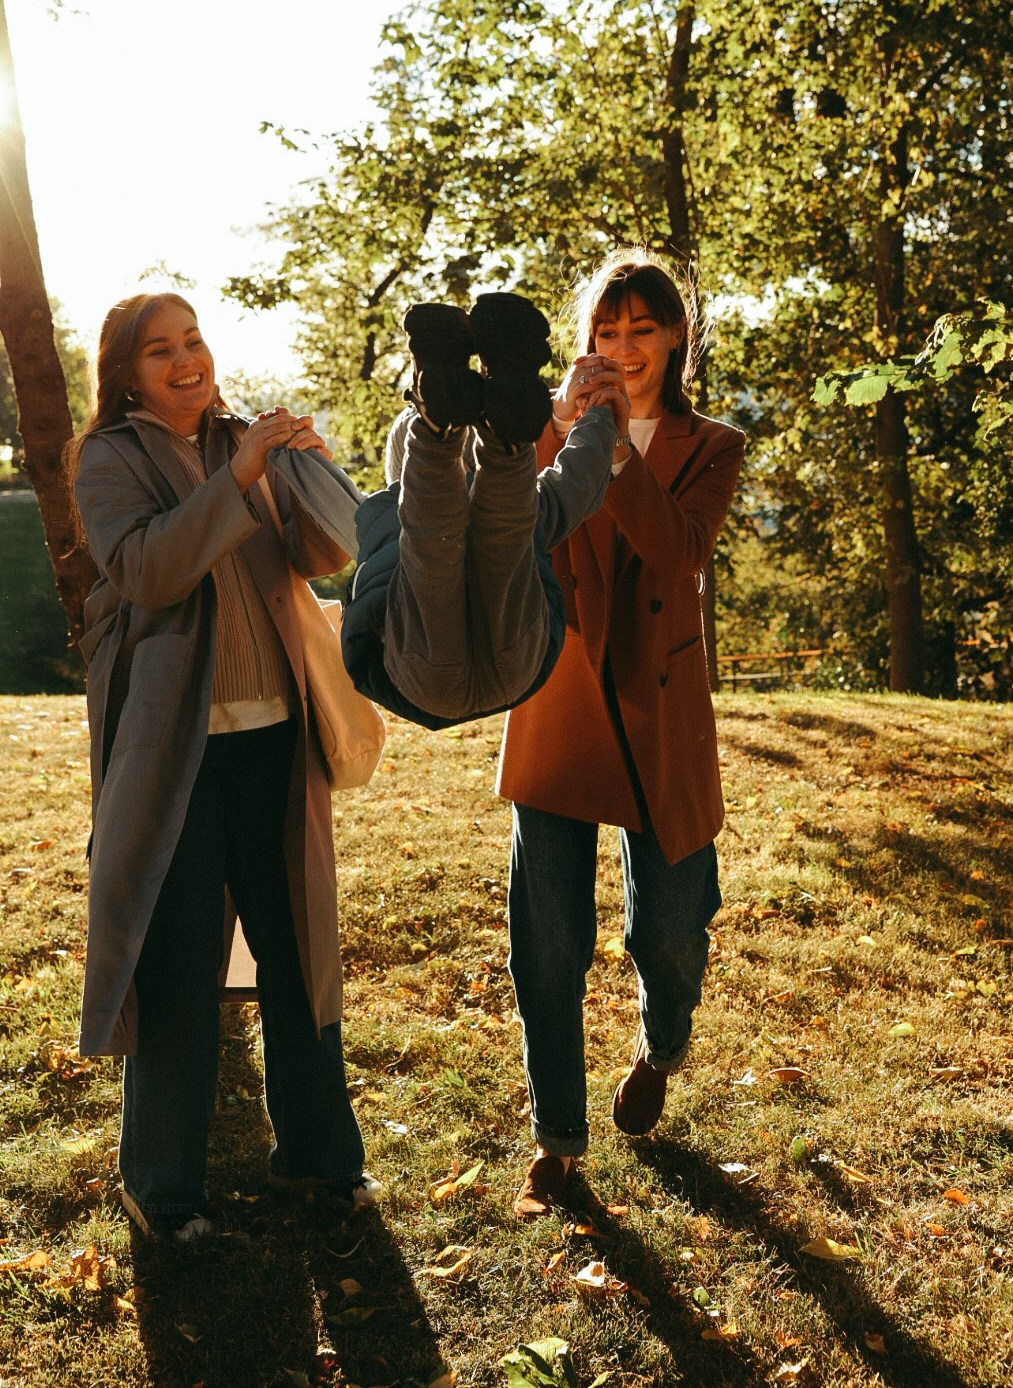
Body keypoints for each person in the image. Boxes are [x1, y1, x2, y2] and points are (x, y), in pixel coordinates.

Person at [70, 292, 379, 1242]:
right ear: (126, 374)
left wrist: (312, 474)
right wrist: (237, 478)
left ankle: (322, 1163)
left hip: (280, 738)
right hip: (176, 750)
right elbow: (147, 573)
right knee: (176, 963)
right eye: (159, 351)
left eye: (193, 341)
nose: (186, 361)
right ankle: (163, 1192)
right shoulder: (107, 459)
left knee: (300, 953)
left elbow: (328, 555)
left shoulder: (246, 438)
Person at [494, 250, 746, 1218]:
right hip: (556, 698)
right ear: (586, 339)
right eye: (607, 330)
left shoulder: (713, 443)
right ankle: (557, 1137)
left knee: (671, 930)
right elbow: (508, 528)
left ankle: (661, 1045)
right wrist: (559, 424)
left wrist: (615, 448)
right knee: (547, 941)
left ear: (675, 335)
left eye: (643, 329)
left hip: (661, 708)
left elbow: (680, 552)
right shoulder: (549, 427)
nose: (625, 347)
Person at [339, 293, 630, 728]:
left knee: (429, 547)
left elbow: (580, 480)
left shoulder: (392, 511)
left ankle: (436, 432)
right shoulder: (532, 507)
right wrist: (600, 417)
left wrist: (598, 421)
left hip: (424, 673)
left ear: (399, 472)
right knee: (507, 533)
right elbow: (579, 481)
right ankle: (505, 440)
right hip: (518, 657)